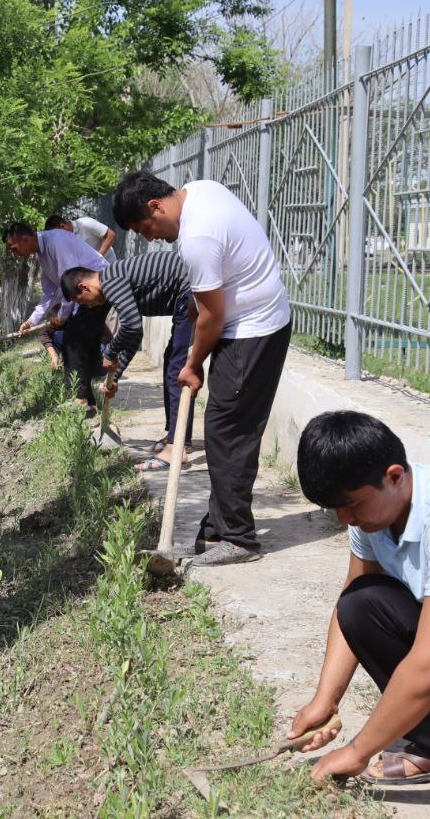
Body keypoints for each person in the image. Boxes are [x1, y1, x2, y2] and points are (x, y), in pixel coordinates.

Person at [288, 411, 430, 817]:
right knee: (361, 602)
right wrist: (324, 701)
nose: (345, 519)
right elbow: (353, 606)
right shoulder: (373, 515)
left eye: (350, 504)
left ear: (395, 476)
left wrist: (359, 750)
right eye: (334, 508)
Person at [112, 170, 291, 566]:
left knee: (229, 430)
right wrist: (199, 300)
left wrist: (193, 364)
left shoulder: (196, 238)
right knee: (223, 426)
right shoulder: (201, 191)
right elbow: (215, 285)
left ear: (156, 206)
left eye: (146, 227)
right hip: (250, 320)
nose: (150, 239)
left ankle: (238, 539)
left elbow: (212, 315)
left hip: (253, 328)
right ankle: (215, 532)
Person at [60, 250, 195, 471]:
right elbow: (135, 336)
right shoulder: (115, 282)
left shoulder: (111, 281)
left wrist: (110, 353)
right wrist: (113, 378)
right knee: (172, 363)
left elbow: (132, 326)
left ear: (84, 287)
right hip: (186, 292)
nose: (88, 306)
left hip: (189, 289)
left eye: (82, 302)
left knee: (175, 370)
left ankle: (176, 448)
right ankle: (178, 437)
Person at [2, 222, 109, 409]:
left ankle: (80, 399)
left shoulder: (56, 242)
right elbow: (51, 292)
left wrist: (63, 315)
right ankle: (88, 400)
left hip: (98, 288)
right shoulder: (43, 254)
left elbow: (73, 283)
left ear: (25, 239)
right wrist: (32, 320)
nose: (14, 252)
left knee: (74, 339)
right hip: (86, 292)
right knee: (83, 341)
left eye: (14, 247)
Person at [45, 213, 119, 264]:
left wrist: (98, 257)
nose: (58, 239)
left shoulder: (85, 223)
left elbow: (111, 235)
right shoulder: (64, 241)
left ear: (62, 226)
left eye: (57, 235)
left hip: (110, 264)